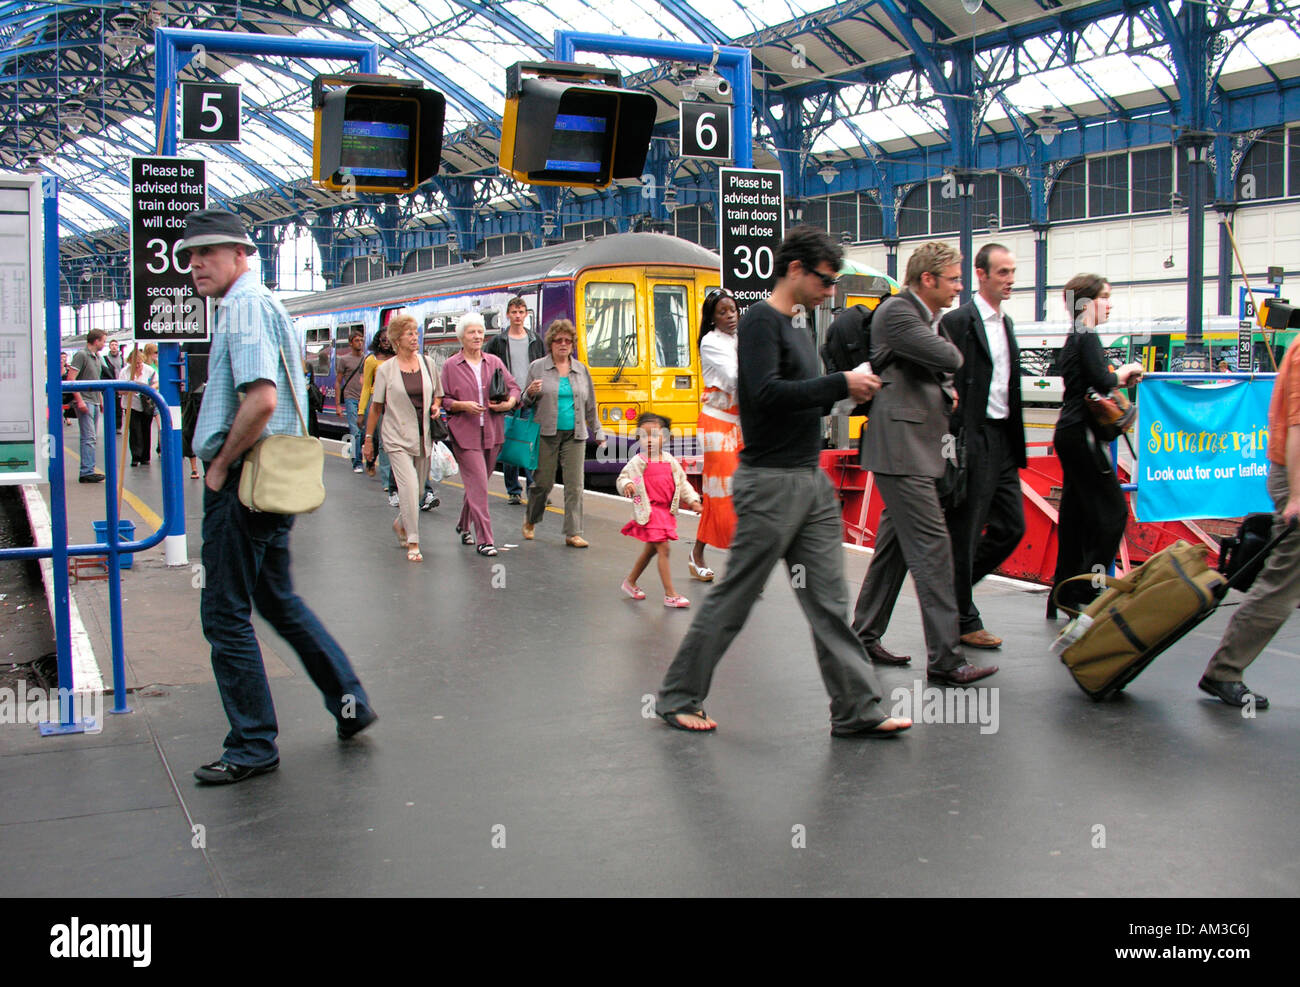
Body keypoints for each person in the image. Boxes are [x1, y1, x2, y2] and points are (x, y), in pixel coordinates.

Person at [655, 225, 910, 738]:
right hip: (770, 483)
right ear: (795, 269)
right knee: (736, 597)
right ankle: (678, 696)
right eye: (824, 278)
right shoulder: (759, 324)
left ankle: (857, 708)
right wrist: (841, 382)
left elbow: (800, 395)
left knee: (829, 601)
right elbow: (765, 394)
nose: (830, 289)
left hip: (807, 479)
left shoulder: (798, 324)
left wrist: (844, 395)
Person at [183, 208, 376, 784]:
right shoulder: (269, 303)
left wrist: (218, 467)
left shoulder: (241, 307)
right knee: (278, 600)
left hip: (244, 482)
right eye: (191, 255)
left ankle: (251, 745)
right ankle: (350, 703)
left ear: (242, 256)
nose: (195, 265)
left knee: (224, 614)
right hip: (276, 482)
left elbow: (262, 400)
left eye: (208, 254)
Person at [853, 241, 998, 686]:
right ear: (928, 279)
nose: (959, 287)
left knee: (894, 549)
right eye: (954, 279)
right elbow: (951, 359)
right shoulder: (899, 313)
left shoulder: (926, 318)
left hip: (914, 445)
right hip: (902, 449)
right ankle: (946, 659)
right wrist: (943, 359)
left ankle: (864, 634)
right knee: (934, 550)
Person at [1197, 334, 1300, 709]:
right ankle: (1224, 670)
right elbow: (1297, 427)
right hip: (1296, 479)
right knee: (1279, 586)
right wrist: (1297, 497)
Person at [940, 243, 1026, 651]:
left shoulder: (1006, 324)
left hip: (1003, 437)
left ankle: (952, 592)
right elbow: (945, 379)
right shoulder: (959, 322)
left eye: (1012, 272)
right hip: (970, 438)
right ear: (981, 274)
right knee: (967, 530)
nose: (1010, 280)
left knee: (1012, 527)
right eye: (1003, 272)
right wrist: (949, 442)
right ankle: (963, 615)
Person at [1046, 275, 1144, 618]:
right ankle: (1090, 587)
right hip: (1083, 435)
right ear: (1086, 302)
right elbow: (1102, 381)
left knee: (1074, 518)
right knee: (1113, 513)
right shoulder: (1086, 335)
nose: (1110, 303)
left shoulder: (1077, 335)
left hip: (1070, 432)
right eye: (1105, 297)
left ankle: (1063, 591)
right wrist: (1128, 370)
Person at [361, 313, 443, 563]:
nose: (415, 337)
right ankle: (413, 541)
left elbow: (438, 395)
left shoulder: (428, 364)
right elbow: (377, 407)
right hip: (395, 437)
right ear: (396, 340)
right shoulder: (385, 370)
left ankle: (401, 523)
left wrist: (436, 406)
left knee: (418, 492)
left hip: (423, 436)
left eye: (416, 333)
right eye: (409, 333)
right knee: (407, 488)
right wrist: (368, 439)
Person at [441, 311, 520, 557]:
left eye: (479, 332)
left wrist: (509, 403)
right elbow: (443, 399)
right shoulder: (450, 366)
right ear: (461, 337)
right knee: (479, 485)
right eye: (471, 332)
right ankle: (485, 539)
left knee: (478, 484)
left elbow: (514, 387)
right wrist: (462, 405)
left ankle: (464, 525)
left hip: (493, 432)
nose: (477, 336)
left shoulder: (494, 362)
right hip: (465, 433)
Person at [520, 318, 603, 547]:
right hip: (546, 433)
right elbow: (524, 402)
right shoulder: (537, 367)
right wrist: (530, 392)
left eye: (568, 341)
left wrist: (598, 431)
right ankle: (531, 519)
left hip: (575, 435)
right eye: (559, 341)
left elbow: (591, 405)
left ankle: (573, 532)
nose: (563, 344)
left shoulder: (581, 369)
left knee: (575, 485)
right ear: (551, 343)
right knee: (543, 483)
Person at [618, 413, 702, 606]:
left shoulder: (670, 461)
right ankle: (670, 594)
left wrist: (694, 501)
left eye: (655, 435)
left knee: (651, 551)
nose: (649, 440)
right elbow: (623, 478)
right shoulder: (638, 462)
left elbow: (683, 484)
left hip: (665, 513)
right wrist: (628, 485)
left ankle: (630, 582)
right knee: (663, 548)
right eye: (644, 435)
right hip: (649, 512)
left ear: (667, 437)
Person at [690, 288, 741, 582]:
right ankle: (739, 567)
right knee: (725, 493)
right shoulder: (710, 342)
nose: (730, 316)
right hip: (716, 423)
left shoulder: (738, 340)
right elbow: (735, 378)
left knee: (729, 494)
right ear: (711, 318)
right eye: (722, 312)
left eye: (732, 310)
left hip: (737, 423)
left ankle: (696, 552)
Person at [486, 296, 544, 504]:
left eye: (521, 312)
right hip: (507, 398)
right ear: (508, 315)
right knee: (509, 441)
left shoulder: (536, 340)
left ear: (526, 314)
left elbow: (544, 365)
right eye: (514, 312)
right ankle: (513, 490)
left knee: (529, 442)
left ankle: (533, 489)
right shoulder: (498, 342)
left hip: (530, 397)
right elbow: (488, 366)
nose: (518, 316)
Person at [358, 326, 399, 507]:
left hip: (396, 403)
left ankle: (390, 476)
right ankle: (385, 480)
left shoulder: (399, 358)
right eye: (383, 340)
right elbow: (367, 387)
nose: (387, 343)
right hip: (378, 402)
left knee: (391, 442)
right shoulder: (372, 360)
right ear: (378, 341)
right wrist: (361, 411)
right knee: (382, 442)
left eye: (389, 339)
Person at [68, 328, 107, 482]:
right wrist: (79, 400)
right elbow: (72, 379)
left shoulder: (97, 357)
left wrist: (101, 400)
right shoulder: (81, 355)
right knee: (89, 437)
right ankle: (86, 471)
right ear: (96, 341)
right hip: (85, 400)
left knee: (92, 437)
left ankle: (88, 468)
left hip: (94, 400)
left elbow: (96, 381)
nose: (104, 344)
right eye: (103, 341)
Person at [118, 346, 158, 467]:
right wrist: (129, 390)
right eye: (135, 363)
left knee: (146, 429)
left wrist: (150, 389)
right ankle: (136, 456)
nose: (137, 366)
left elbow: (157, 382)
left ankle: (146, 457)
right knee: (135, 431)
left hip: (146, 405)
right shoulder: (125, 372)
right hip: (132, 405)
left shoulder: (149, 370)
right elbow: (119, 389)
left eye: (139, 363)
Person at [337, 327, 367, 473]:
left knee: (366, 431)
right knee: (355, 431)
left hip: (365, 399)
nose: (360, 343)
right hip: (351, 398)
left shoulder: (367, 359)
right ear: (350, 343)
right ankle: (357, 463)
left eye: (361, 340)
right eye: (356, 341)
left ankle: (353, 449)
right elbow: (338, 382)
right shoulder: (344, 360)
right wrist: (337, 405)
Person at [103, 339, 123, 434]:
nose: (114, 346)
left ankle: (118, 426)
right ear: (109, 347)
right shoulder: (105, 359)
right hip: (109, 385)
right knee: (110, 406)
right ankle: (110, 425)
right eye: (112, 345)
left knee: (119, 407)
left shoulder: (122, 359)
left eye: (116, 345)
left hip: (120, 385)